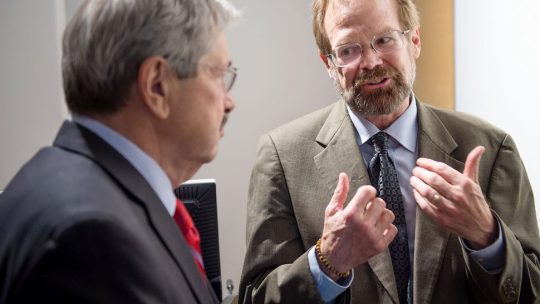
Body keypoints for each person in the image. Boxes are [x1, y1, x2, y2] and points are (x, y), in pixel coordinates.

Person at [239, 0, 540, 303]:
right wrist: (327, 261)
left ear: (414, 41)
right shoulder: (281, 158)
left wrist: (488, 237)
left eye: (384, 40)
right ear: (328, 64)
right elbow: (256, 296)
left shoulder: (493, 149)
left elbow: (534, 292)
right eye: (348, 50)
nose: (370, 62)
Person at [0, 0, 238, 303]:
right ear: (157, 86)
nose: (228, 101)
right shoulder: (92, 238)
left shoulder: (58, 183)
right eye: (218, 74)